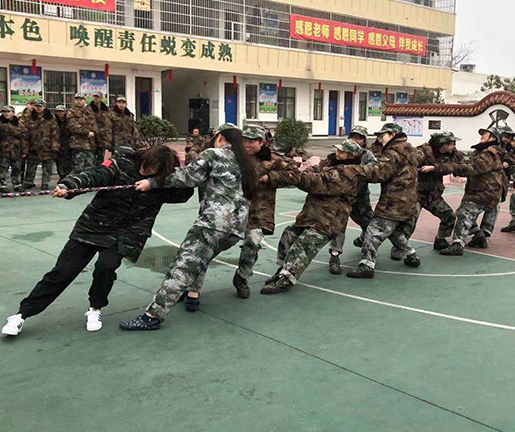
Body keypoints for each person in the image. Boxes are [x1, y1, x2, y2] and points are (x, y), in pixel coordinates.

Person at [1, 145, 194, 337]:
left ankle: (95, 308)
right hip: (94, 225)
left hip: (127, 233)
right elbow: (93, 176)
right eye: (147, 167)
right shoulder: (121, 164)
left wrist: (155, 183)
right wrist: (69, 187)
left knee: (106, 266)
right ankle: (21, 315)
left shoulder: (161, 181)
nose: (147, 171)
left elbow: (183, 193)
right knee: (63, 272)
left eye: (154, 171)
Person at [119, 123, 257, 331]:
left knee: (182, 266)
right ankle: (192, 295)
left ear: (219, 137)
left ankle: (152, 316)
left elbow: (187, 177)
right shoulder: (246, 162)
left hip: (212, 224)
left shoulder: (214, 154)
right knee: (200, 259)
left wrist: (153, 182)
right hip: (235, 229)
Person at [261, 140, 365, 294]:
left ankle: (287, 279)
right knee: (289, 235)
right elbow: (311, 171)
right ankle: (283, 270)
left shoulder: (348, 173)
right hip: (313, 214)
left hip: (328, 219)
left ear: (350, 156)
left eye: (342, 152)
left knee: (304, 245)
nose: (337, 153)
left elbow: (316, 182)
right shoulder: (331, 165)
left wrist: (293, 176)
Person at [346, 122, 421, 279]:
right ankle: (411, 254)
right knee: (392, 231)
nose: (379, 139)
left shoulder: (393, 153)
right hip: (410, 200)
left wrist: (355, 171)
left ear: (393, 135)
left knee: (373, 232)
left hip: (394, 201)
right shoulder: (411, 150)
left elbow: (379, 173)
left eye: (382, 135)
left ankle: (367, 265)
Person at [234, 125, 300, 298]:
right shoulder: (235, 157)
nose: (247, 145)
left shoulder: (274, 160)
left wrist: (271, 177)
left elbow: (295, 174)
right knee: (214, 244)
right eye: (244, 141)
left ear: (262, 142)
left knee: (253, 243)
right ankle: (191, 283)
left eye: (251, 141)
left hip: (260, 211)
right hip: (233, 210)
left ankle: (242, 277)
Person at [439, 126, 505, 256]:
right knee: (463, 211)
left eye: (486, 134)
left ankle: (458, 244)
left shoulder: (489, 153)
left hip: (483, 192)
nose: (482, 136)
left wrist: (454, 168)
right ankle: (480, 235)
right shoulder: (482, 151)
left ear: (493, 138)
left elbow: (474, 168)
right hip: (485, 191)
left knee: (464, 213)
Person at [327, 126, 377, 275]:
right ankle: (334, 257)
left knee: (369, 225)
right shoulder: (341, 152)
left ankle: (367, 251)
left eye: (359, 137)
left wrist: (357, 172)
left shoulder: (367, 155)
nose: (355, 140)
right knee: (338, 227)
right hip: (341, 199)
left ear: (364, 140)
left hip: (360, 198)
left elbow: (376, 169)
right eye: (353, 136)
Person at [414, 131, 464, 251]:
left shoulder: (451, 153)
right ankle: (400, 246)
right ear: (443, 144)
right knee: (409, 222)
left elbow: (455, 165)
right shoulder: (423, 151)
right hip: (417, 194)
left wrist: (434, 168)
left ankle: (440, 239)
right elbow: (411, 162)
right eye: (451, 144)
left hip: (433, 194)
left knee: (449, 216)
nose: (453, 146)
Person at [22, 100, 60, 190]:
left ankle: (45, 182)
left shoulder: (50, 118)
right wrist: (25, 147)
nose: (38, 108)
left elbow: (55, 133)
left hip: (47, 146)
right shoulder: (30, 118)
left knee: (47, 167)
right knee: (31, 166)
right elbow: (25, 133)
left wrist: (55, 147)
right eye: (37, 106)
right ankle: (28, 182)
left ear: (44, 107)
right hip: (33, 145)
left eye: (40, 106)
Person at [0, 106, 26, 193]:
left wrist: (24, 150)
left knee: (17, 168)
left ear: (13, 112)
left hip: (16, 150)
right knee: (2, 168)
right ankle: (2, 184)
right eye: (4, 111)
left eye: (8, 111)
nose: (6, 113)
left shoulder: (19, 123)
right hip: (3, 149)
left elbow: (24, 137)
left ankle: (16, 184)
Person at [67, 92, 98, 173]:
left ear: (84, 101)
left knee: (90, 167)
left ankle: (87, 184)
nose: (79, 101)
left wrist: (94, 132)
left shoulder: (88, 113)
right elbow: (73, 126)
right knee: (78, 167)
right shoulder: (72, 112)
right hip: (78, 144)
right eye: (77, 99)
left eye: (81, 99)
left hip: (89, 145)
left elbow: (94, 125)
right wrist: (87, 132)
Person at [90, 91, 113, 163]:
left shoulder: (106, 109)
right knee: (91, 158)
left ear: (101, 98)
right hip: (92, 136)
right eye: (95, 97)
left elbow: (109, 122)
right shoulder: (88, 109)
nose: (96, 98)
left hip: (103, 137)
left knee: (100, 157)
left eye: (98, 97)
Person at [54, 105, 72, 179]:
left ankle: (67, 175)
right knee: (59, 161)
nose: (60, 113)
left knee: (68, 161)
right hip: (57, 143)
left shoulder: (69, 120)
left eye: (62, 111)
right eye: (58, 111)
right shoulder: (53, 121)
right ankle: (61, 176)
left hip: (67, 143)